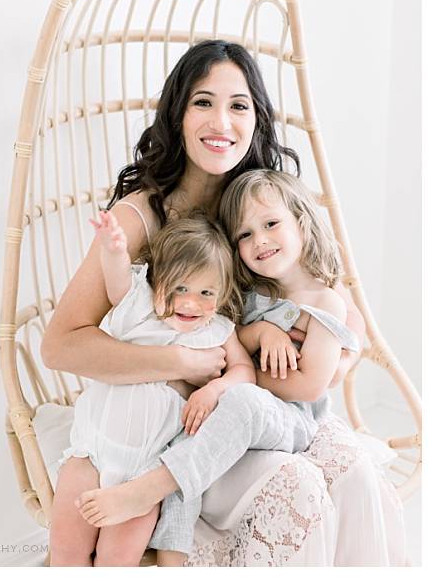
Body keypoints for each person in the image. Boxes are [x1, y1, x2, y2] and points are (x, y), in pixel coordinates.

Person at [41, 39, 404, 566]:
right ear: (178, 114)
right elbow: (60, 347)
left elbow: (341, 311)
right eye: (203, 102)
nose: (222, 121)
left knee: (354, 470)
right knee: (296, 486)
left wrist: (333, 359)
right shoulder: (140, 218)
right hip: (187, 430)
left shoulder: (264, 203)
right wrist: (186, 364)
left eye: (239, 105)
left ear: (256, 119)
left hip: (274, 408)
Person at [75, 170, 369, 564]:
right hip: (237, 410)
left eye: (270, 224)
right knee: (187, 438)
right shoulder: (255, 293)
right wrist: (262, 332)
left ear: (301, 220)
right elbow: (228, 337)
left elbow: (309, 387)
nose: (259, 240)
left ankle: (150, 488)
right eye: (244, 235)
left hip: (289, 420)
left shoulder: (324, 301)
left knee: (241, 403)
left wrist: (225, 379)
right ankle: (172, 560)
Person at [49, 212, 256, 567]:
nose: (191, 304)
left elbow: (245, 372)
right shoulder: (139, 307)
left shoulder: (217, 328)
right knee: (66, 553)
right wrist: (113, 248)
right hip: (90, 454)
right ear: (159, 280)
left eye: (206, 292)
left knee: (118, 560)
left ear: (221, 294)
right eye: (180, 289)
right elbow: (116, 282)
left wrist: (215, 388)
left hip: (145, 471)